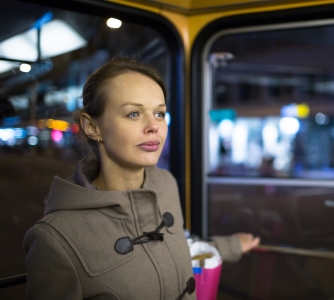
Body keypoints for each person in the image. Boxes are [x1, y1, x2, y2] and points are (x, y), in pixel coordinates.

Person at [24, 57, 259, 300]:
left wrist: (230, 246)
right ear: (92, 127)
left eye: (159, 113)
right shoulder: (54, 239)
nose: (153, 126)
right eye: (134, 113)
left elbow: (174, 249)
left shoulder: (164, 184)